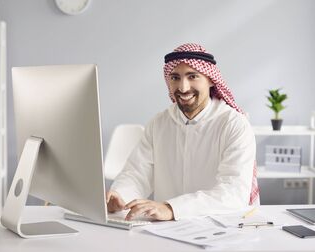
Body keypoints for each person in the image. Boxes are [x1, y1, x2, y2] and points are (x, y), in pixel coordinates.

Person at [106, 43, 259, 221]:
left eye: (192, 76)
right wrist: (120, 196)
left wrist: (172, 209)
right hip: (166, 230)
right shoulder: (159, 123)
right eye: (175, 77)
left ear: (210, 79)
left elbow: (233, 192)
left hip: (220, 230)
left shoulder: (234, 124)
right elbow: (137, 174)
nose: (183, 87)